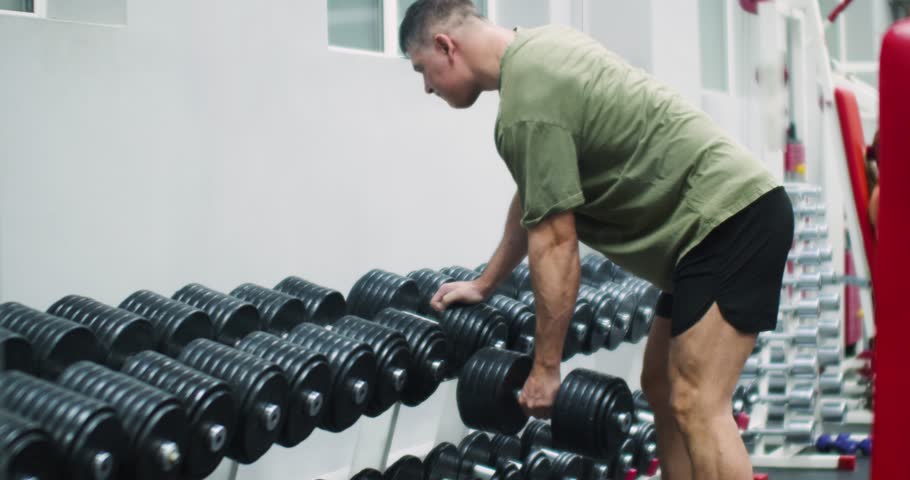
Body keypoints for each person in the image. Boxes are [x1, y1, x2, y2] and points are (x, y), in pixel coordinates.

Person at [399, 2, 794, 479]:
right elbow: (536, 196)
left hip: (730, 220)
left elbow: (556, 244)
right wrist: (486, 282)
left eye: (423, 70)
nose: (426, 86)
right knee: (663, 389)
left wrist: (546, 369)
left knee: (698, 402)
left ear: (446, 46)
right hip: (709, 229)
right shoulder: (542, 49)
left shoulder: (529, 103)